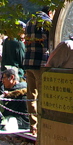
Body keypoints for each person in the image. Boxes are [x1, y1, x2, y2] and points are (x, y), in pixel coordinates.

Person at [22, 8, 52, 137]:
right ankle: (42, 126)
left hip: (29, 61)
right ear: (50, 12)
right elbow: (52, 42)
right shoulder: (47, 23)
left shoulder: (29, 22)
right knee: (42, 96)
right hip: (42, 62)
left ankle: (32, 126)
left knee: (31, 95)